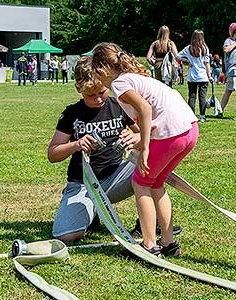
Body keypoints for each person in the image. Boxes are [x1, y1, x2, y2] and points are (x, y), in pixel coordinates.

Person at [48, 56, 181, 242]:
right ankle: (91, 212)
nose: (98, 98)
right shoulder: (72, 113)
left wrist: (137, 137)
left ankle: (152, 223)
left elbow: (150, 134)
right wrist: (76, 145)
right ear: (79, 90)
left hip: (116, 177)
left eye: (101, 92)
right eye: (90, 95)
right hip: (83, 184)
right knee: (66, 235)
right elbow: (53, 154)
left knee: (153, 165)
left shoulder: (118, 105)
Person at [92, 43, 198, 256]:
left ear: (103, 69)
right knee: (156, 183)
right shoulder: (135, 77)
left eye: (96, 73)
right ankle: (168, 243)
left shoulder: (120, 83)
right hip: (190, 130)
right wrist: (142, 140)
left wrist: (146, 148)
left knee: (140, 184)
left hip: (172, 133)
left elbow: (145, 109)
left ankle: (149, 245)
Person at [177, 30, 213, 123]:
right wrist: (209, 76)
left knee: (192, 97)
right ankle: (202, 116)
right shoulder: (205, 48)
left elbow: (177, 56)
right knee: (202, 97)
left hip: (192, 76)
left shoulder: (188, 48)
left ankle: (191, 116)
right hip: (203, 76)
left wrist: (188, 60)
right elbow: (207, 63)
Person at [220, 23, 236, 115]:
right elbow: (226, 50)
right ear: (232, 32)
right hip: (232, 70)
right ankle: (220, 110)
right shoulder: (228, 40)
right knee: (229, 91)